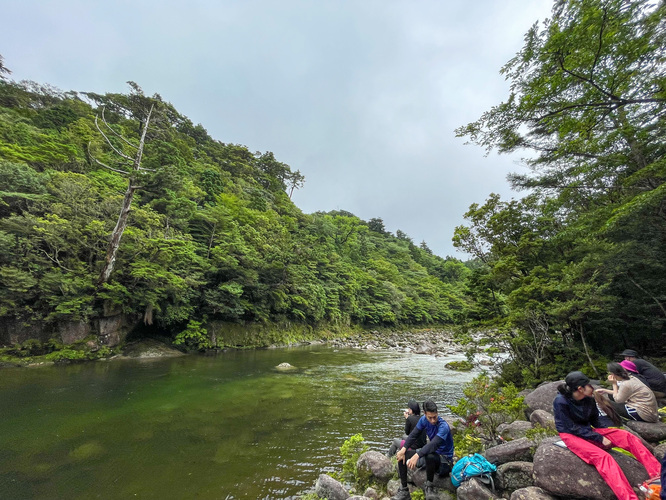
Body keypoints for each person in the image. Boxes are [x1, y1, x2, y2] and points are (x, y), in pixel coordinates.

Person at [554, 371, 660, 500]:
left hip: (588, 431)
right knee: (604, 458)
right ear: (580, 389)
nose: (592, 387)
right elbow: (571, 427)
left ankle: (658, 475)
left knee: (627, 436)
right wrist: (599, 438)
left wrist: (611, 434)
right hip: (570, 435)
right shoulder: (561, 401)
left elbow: (595, 422)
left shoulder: (589, 400)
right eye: (588, 385)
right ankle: (629, 498)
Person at [393, 400, 453, 500]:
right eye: (430, 417)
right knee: (402, 455)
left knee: (430, 455)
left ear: (437, 413)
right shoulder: (423, 420)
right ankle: (404, 490)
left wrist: (417, 455)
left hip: (444, 461)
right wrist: (403, 449)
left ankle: (429, 487)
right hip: (429, 455)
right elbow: (413, 435)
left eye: (435, 417)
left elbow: (433, 444)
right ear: (425, 414)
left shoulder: (444, 427)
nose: (433, 420)